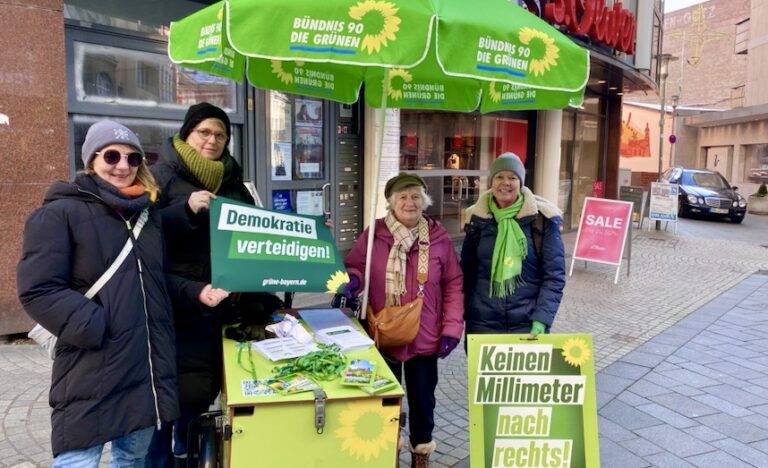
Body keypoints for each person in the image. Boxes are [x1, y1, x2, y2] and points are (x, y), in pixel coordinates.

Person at [17, 120, 228, 466]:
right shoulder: (58, 213)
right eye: (112, 156)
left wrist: (196, 291)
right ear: (91, 161)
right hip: (92, 364)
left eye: (133, 159)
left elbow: (154, 279)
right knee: (78, 459)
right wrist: (97, 325)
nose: (122, 166)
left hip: (146, 369)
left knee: (131, 459)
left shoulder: (147, 215)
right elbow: (38, 289)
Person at [147, 103, 283, 467]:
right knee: (164, 407)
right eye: (204, 132)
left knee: (197, 401)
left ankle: (188, 455)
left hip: (221, 311)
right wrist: (185, 211)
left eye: (220, 134)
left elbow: (258, 241)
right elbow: (144, 237)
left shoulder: (235, 184)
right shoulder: (158, 177)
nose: (212, 140)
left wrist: (306, 244)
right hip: (175, 311)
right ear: (187, 133)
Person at [343, 173, 464, 468]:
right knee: (384, 400)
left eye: (415, 197)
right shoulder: (376, 234)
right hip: (382, 333)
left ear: (424, 201)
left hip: (425, 335)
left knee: (423, 402)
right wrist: (353, 282)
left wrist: (451, 328)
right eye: (403, 197)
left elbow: (453, 283)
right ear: (391, 202)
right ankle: (388, 451)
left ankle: (420, 452)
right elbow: (356, 266)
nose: (409, 203)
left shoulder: (438, 238)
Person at [461, 152, 565, 339]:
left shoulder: (542, 220)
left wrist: (542, 318)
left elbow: (554, 277)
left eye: (512, 177)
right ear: (491, 181)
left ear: (521, 182)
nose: (505, 182)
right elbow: (466, 272)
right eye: (499, 176)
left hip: (528, 324)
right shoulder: (477, 219)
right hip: (482, 324)